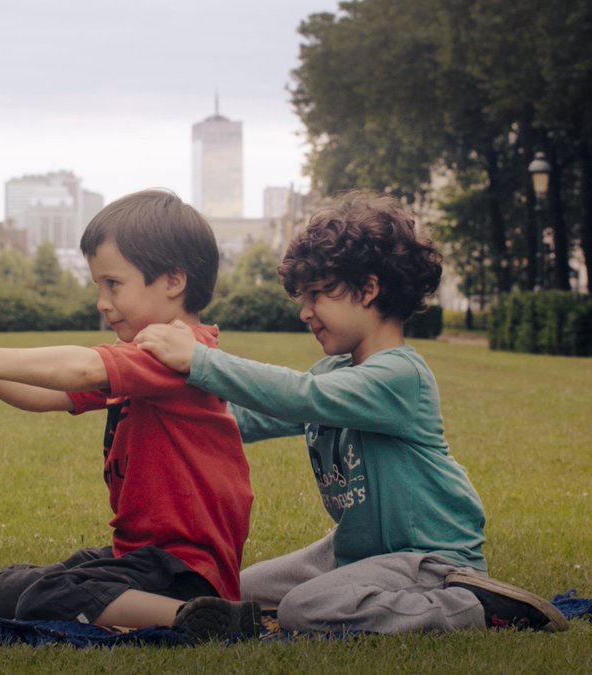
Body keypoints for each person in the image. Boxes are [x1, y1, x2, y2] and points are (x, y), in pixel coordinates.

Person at [135, 191, 569, 634]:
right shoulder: (335, 373)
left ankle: (477, 608)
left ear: (368, 289)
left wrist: (201, 361)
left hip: (429, 557)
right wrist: (151, 395)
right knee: (231, 592)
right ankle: (367, 592)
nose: (305, 312)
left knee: (304, 610)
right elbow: (240, 421)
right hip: (357, 552)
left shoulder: (400, 376)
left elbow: (302, 396)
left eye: (318, 294)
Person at [0, 189, 259, 642]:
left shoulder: (182, 353)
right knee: (2, 590)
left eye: (113, 284)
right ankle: (171, 610)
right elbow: (46, 394)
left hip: (185, 566)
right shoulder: (141, 356)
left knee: (42, 597)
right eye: (99, 285)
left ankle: (194, 617)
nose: (102, 301)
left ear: (173, 281)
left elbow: (81, 366)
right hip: (139, 555)